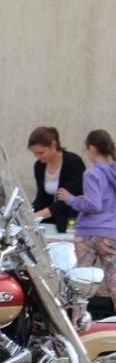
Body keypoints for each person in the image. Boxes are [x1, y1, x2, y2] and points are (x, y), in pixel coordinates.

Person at [59, 129, 116, 301]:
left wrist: (71, 199)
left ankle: (78, 325)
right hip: (111, 233)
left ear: (91, 148)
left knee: (80, 285)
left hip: (89, 233)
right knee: (114, 284)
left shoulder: (91, 174)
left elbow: (94, 205)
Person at [29, 126, 84, 234]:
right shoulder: (39, 166)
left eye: (41, 153)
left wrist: (38, 215)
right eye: (34, 154)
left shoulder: (73, 163)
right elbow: (42, 197)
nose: (38, 157)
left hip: (72, 220)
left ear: (53, 145)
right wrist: (28, 213)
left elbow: (67, 200)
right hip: (51, 220)